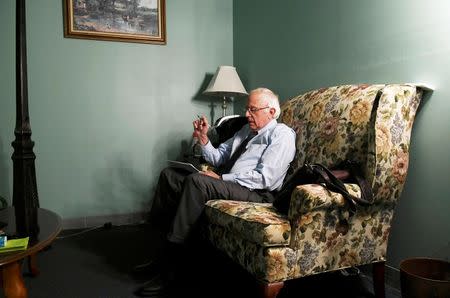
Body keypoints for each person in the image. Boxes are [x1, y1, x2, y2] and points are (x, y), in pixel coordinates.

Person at [134, 87, 296, 297]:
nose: (247, 114)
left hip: (256, 193)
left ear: (271, 112)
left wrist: (221, 178)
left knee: (197, 182)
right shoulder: (246, 131)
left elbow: (266, 178)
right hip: (229, 183)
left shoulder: (281, 135)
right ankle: (160, 255)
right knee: (170, 175)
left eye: (253, 109)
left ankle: (171, 269)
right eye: (247, 109)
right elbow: (219, 157)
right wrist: (203, 139)